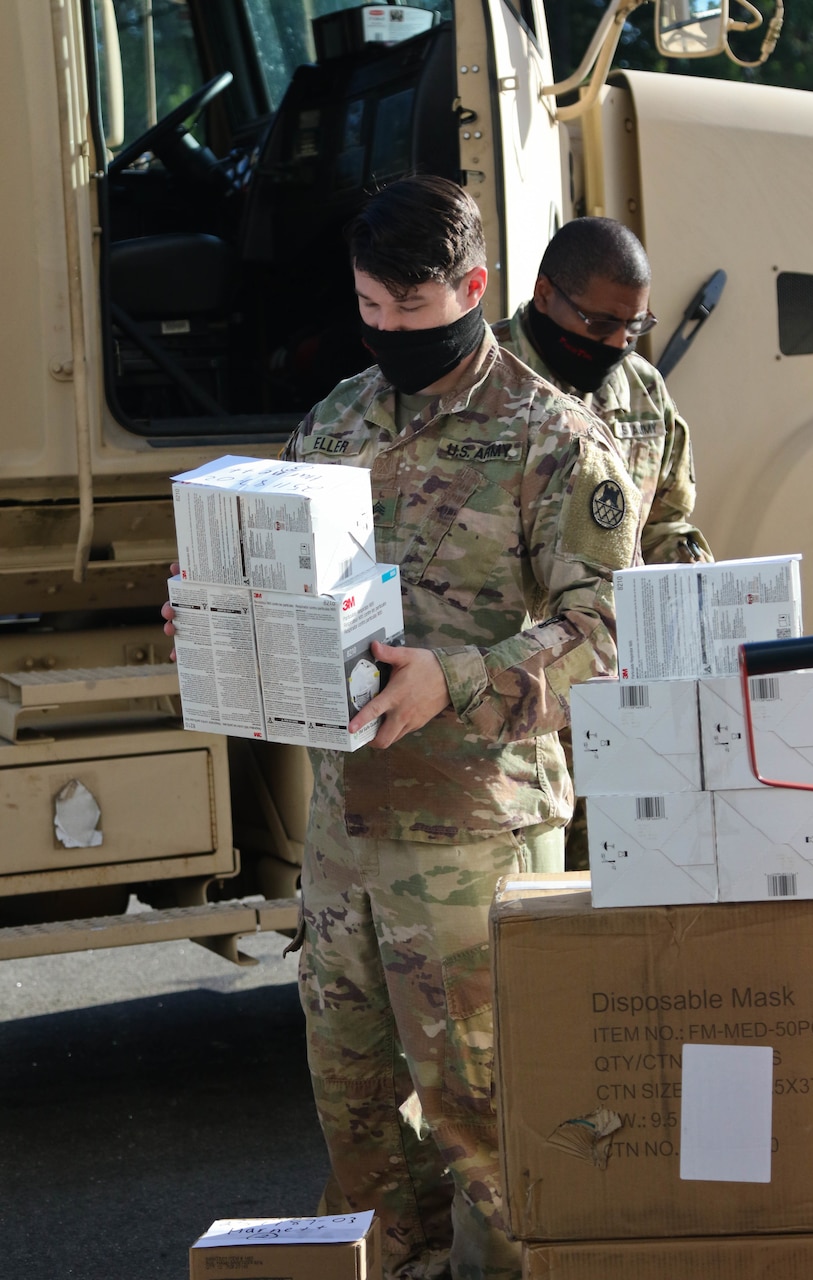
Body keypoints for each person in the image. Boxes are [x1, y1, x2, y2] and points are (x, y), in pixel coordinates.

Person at [164, 176, 641, 1280]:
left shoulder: (550, 436)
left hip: (472, 834)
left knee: (489, 1124)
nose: (386, 333)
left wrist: (459, 679)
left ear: (472, 288)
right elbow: (281, 572)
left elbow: (608, 631)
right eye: (368, 308)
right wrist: (214, 604)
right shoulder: (335, 419)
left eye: (411, 312)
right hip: (345, 834)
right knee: (359, 1116)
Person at [492, 216, 713, 867]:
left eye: (633, 326)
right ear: (545, 294)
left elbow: (668, 523)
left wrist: (704, 598)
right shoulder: (478, 384)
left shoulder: (641, 393)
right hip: (520, 711)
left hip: (629, 713)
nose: (617, 341)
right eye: (598, 324)